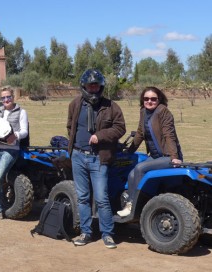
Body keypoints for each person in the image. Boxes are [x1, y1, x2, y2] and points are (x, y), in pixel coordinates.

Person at [67, 69, 126, 249]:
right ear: (84, 86)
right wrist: (77, 145)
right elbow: (70, 126)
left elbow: (120, 128)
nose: (93, 88)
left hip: (99, 158)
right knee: (83, 197)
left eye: (96, 85)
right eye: (90, 85)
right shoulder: (75, 104)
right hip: (78, 156)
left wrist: (100, 136)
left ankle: (107, 234)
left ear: (100, 86)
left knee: (101, 198)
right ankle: (86, 232)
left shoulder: (111, 106)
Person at [117, 87, 182, 217]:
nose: (149, 101)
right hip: (154, 156)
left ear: (159, 100)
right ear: (142, 99)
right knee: (131, 174)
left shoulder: (163, 112)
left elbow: (169, 135)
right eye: (146, 99)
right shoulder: (143, 112)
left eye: (153, 99)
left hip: (167, 156)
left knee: (140, 168)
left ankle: (135, 206)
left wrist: (174, 157)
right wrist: (129, 151)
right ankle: (129, 204)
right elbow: (140, 133)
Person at [0, 87, 28, 220]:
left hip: (11, 149)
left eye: (8, 97)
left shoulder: (21, 112)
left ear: (13, 97)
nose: (6, 100)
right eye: (3, 98)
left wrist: (15, 135)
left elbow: (24, 131)